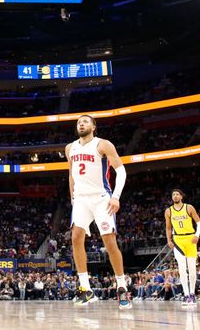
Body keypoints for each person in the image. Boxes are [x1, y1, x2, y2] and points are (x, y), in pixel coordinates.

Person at [66, 115, 131, 309]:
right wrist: (73, 198)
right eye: (79, 122)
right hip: (81, 199)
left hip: (101, 197)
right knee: (76, 238)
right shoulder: (70, 148)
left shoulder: (103, 144)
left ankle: (121, 287)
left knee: (109, 242)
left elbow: (121, 171)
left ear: (94, 126)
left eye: (85, 121)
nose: (81, 124)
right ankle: (86, 289)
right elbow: (71, 174)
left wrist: (116, 196)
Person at [165, 189, 200, 307]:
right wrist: (169, 240)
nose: (175, 196)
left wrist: (197, 235)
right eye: (173, 194)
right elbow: (168, 228)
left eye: (177, 194)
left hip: (190, 239)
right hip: (178, 240)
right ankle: (186, 295)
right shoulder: (168, 211)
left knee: (191, 268)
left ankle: (192, 294)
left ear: (181, 196)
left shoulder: (189, 207)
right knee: (181, 267)